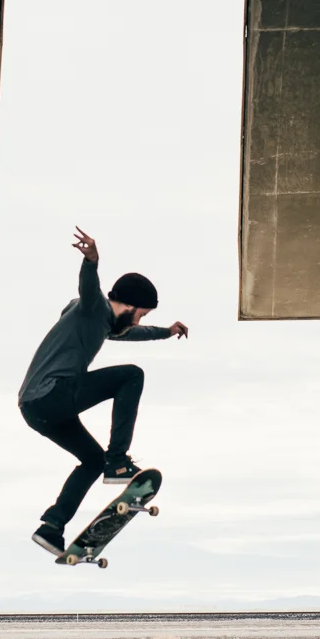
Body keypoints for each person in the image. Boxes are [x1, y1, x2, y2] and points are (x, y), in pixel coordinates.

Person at [17, 226, 188, 557]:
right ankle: (119, 462)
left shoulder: (101, 324)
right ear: (127, 304)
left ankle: (51, 527)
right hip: (51, 394)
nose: (139, 322)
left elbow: (133, 335)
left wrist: (166, 332)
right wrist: (92, 260)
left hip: (37, 409)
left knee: (91, 460)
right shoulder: (93, 308)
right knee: (131, 376)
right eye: (140, 314)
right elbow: (90, 290)